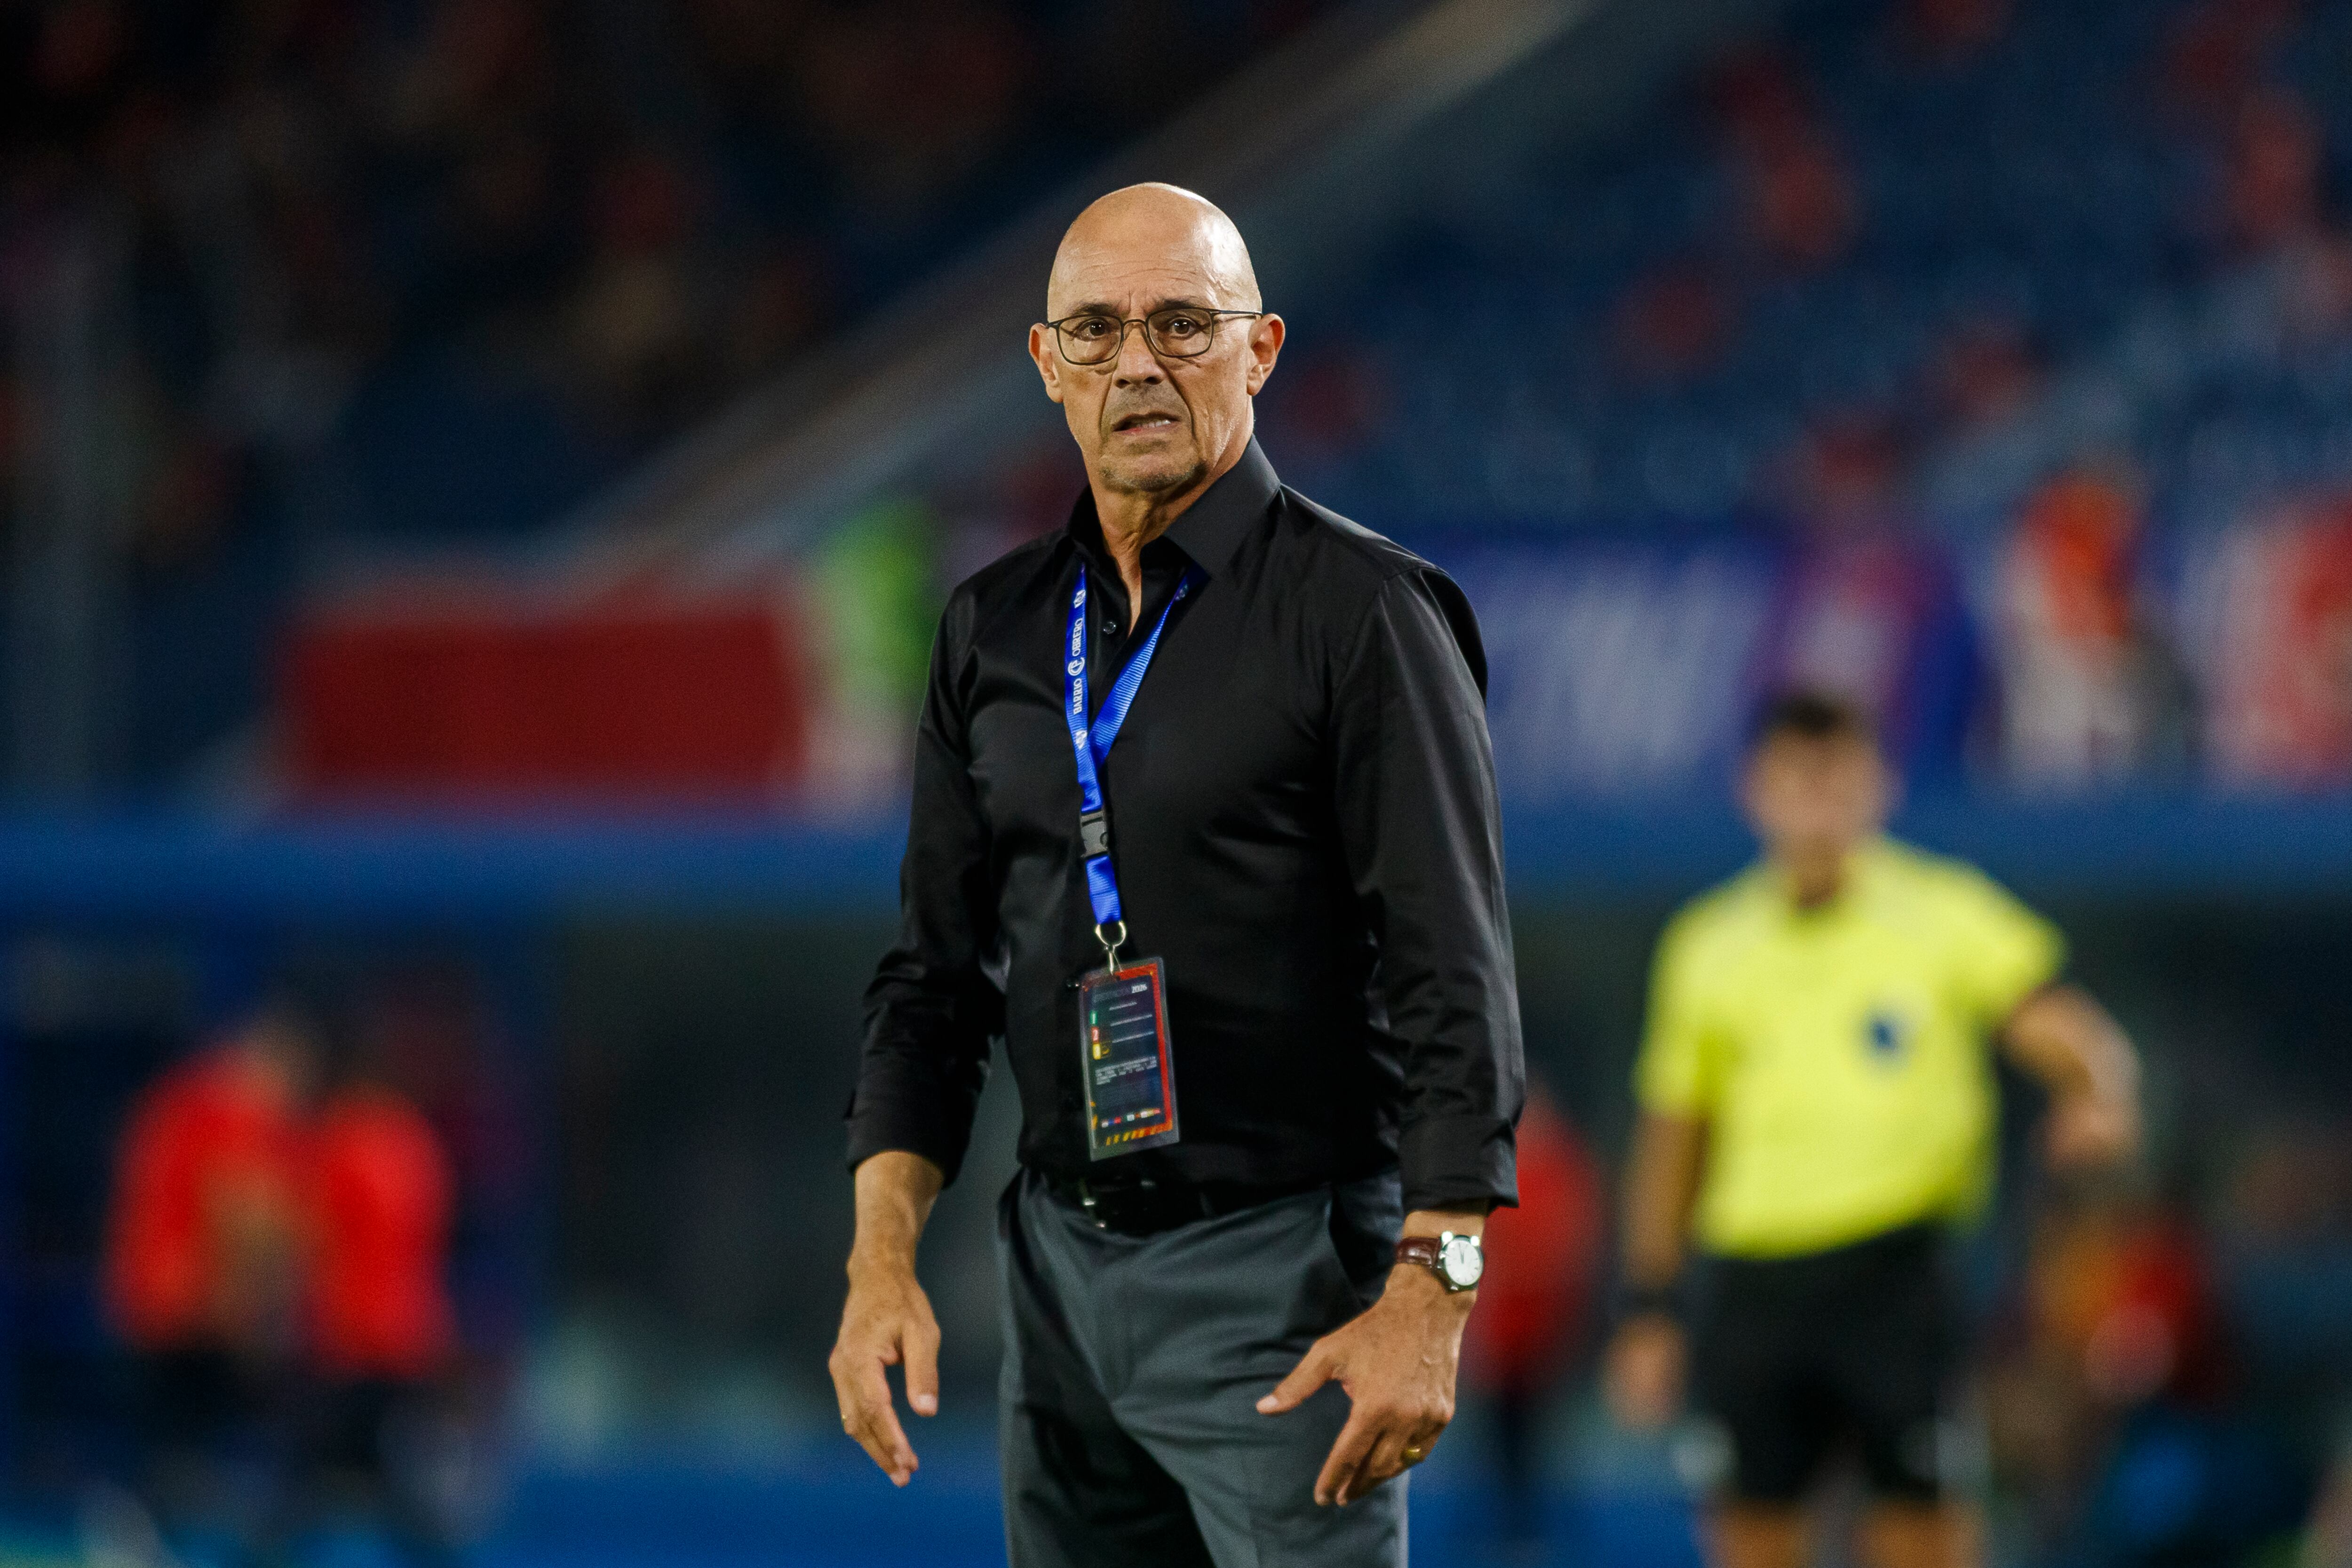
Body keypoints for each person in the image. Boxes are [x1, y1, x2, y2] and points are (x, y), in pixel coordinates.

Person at [829, 183, 1523, 1568]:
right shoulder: (995, 629)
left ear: (1257, 350)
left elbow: (1455, 971)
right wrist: (878, 1260)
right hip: (1055, 1272)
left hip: (1281, 1276)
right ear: (1045, 366)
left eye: (1178, 325)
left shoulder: (1365, 614)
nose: (1135, 364)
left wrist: (1432, 1295)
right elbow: (930, 979)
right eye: (1093, 331)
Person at [1604, 688, 2143, 1568]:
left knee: (1922, 1529)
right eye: (1795, 778)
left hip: (1896, 1278)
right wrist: (1649, 1307)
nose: (1817, 800)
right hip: (1756, 1283)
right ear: (1756, 790)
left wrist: (2101, 1089)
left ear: (1877, 787)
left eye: (1837, 777)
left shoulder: (1944, 912)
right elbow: (1674, 1138)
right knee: (1752, 1534)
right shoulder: (1707, 944)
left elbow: (2058, 1019)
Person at [103, 1000, 317, 1530]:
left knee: (176, 1440)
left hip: (154, 1294)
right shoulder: (235, 1105)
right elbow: (238, 1215)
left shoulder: (186, 1095)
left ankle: (149, 1521)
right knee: (246, 1432)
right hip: (191, 1304)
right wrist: (253, 1310)